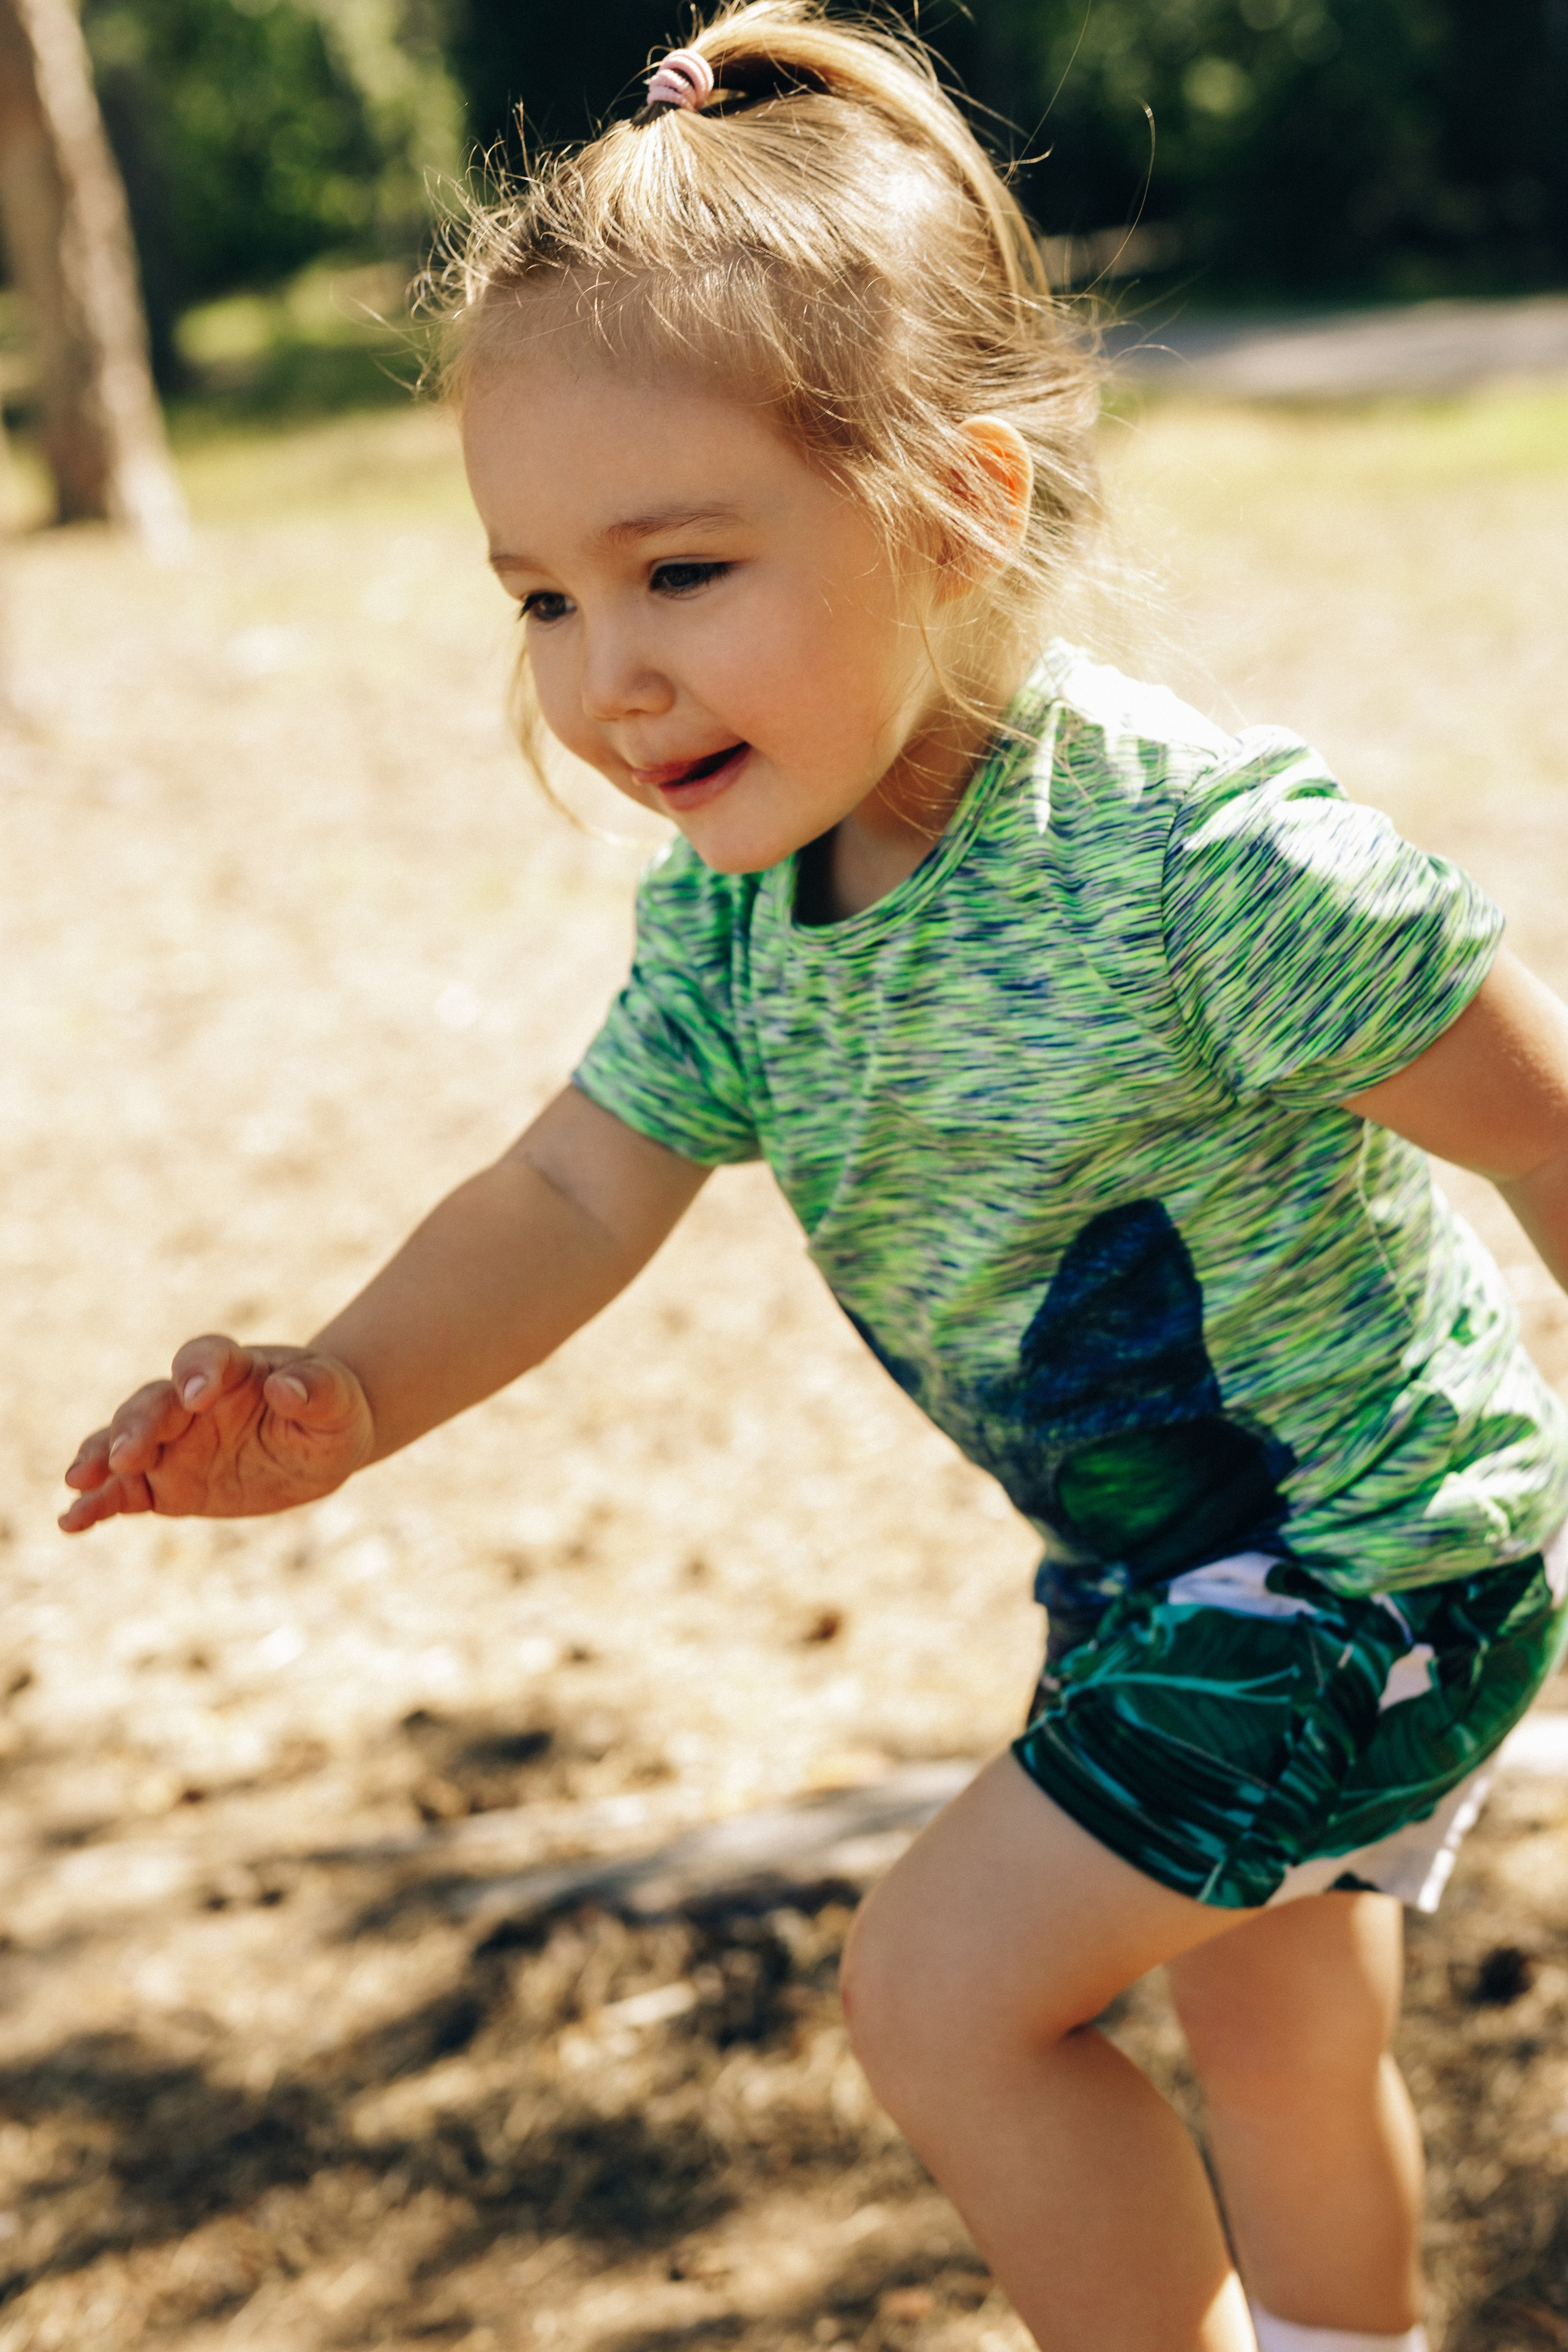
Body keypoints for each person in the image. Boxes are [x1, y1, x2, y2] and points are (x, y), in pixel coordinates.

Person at [58, 7, 1568, 2346]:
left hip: (1377, 1558)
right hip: (1167, 1566)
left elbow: (1546, 1121)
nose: (606, 679)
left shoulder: (1196, 870)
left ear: (960, 504)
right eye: (542, 599)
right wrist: (344, 1395)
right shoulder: (738, 921)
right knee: (1279, 2024)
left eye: (679, 570)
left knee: (946, 1996)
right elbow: (571, 1198)